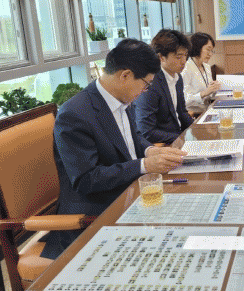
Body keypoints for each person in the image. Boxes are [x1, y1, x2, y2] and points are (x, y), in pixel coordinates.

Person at [42, 39, 187, 259]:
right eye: (146, 84)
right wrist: (144, 165)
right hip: (96, 214)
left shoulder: (121, 98)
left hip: (130, 195)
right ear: (125, 75)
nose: (145, 91)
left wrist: (149, 151)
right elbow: (87, 179)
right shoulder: (74, 115)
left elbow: (132, 137)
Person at [135, 29, 194, 144]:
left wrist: (197, 129)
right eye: (178, 57)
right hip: (165, 143)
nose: (184, 61)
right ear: (161, 57)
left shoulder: (178, 78)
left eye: (185, 55)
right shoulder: (151, 83)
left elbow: (182, 113)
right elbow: (147, 131)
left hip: (179, 136)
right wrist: (180, 139)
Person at [181, 32, 221, 109]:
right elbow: (185, 100)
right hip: (193, 111)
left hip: (206, 107)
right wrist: (204, 93)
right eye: (208, 50)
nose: (210, 54)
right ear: (197, 48)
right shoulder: (186, 68)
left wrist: (214, 88)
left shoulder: (206, 67)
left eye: (212, 51)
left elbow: (209, 93)